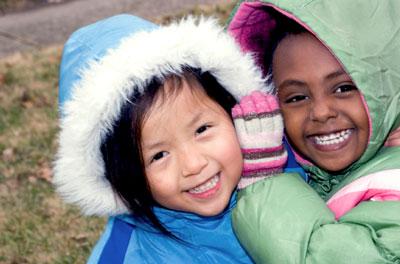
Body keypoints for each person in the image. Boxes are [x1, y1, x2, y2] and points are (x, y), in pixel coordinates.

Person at [229, 0, 400, 263]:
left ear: (381, 93)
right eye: (296, 97)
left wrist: (264, 181)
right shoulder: (304, 168)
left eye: (343, 88)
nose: (321, 112)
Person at [53, 14, 287, 263]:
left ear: (230, 109)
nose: (194, 164)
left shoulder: (291, 167)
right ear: (123, 177)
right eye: (159, 155)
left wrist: (266, 185)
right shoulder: (129, 257)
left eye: (202, 130)